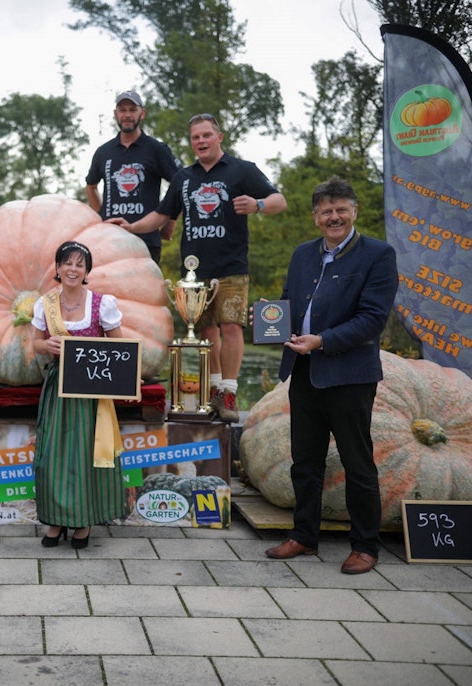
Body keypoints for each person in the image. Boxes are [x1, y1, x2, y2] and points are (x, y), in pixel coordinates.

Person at [114, 113, 286, 422]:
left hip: (232, 265)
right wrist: (130, 227)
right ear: (191, 142)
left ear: (219, 137)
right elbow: (161, 214)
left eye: (206, 135)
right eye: (196, 137)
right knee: (205, 331)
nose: (201, 141)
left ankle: (229, 392)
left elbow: (279, 201)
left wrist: (258, 205)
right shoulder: (183, 177)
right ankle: (214, 388)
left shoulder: (242, 171)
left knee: (231, 326)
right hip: (193, 271)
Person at [264, 176, 397, 575]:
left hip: (350, 375)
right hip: (304, 371)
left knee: (358, 463)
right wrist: (270, 325)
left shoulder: (378, 254)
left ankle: (365, 546)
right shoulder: (303, 254)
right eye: (327, 211)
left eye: (341, 209)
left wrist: (321, 340)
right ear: (315, 216)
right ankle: (304, 536)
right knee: (305, 461)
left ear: (354, 211)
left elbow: (373, 319)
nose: (334, 216)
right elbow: (287, 302)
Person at [30, 241, 129, 550]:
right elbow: (33, 342)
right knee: (53, 456)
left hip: (91, 390)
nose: (73, 269)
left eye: (79, 264)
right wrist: (46, 346)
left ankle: (84, 520)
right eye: (67, 263)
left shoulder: (102, 303)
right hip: (58, 387)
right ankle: (56, 520)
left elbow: (120, 348)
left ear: (87, 271)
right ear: (57, 268)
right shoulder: (44, 304)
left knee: (86, 455)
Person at [85, 90, 182, 265]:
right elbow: (91, 185)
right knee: (107, 291)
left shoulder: (156, 149)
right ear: (116, 114)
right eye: (122, 110)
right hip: (109, 241)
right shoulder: (103, 152)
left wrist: (171, 220)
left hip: (146, 242)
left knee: (143, 292)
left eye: (132, 109)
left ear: (142, 113)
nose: (127, 115)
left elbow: (181, 184)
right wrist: (101, 217)